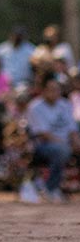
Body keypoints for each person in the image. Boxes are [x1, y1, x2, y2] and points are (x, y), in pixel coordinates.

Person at [26, 73, 79, 202]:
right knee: (62, 150)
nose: (54, 93)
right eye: (50, 89)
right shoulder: (35, 107)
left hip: (66, 143)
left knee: (65, 149)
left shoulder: (65, 105)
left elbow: (72, 129)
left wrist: (76, 142)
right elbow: (44, 134)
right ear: (43, 90)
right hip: (43, 146)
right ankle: (50, 188)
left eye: (56, 89)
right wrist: (67, 144)